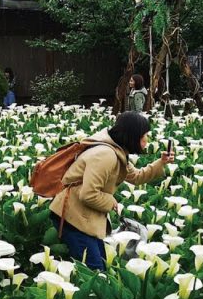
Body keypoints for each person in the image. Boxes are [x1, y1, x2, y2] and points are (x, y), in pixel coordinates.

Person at [49, 112, 175, 270]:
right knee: (94, 270)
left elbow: (136, 177)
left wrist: (161, 162)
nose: (147, 140)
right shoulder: (105, 155)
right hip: (72, 217)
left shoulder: (117, 151)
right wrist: (111, 202)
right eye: (144, 135)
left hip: (85, 216)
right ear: (133, 135)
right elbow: (88, 194)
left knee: (100, 265)